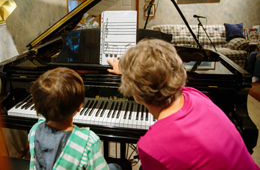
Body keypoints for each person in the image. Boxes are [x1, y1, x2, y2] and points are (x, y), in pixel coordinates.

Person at [107, 39, 260, 170]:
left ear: (136, 93)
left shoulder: (150, 146)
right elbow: (160, 75)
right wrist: (128, 72)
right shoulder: (193, 93)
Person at [28, 67, 122, 170]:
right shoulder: (88, 141)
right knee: (115, 167)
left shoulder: (34, 130)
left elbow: (43, 118)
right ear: (80, 106)